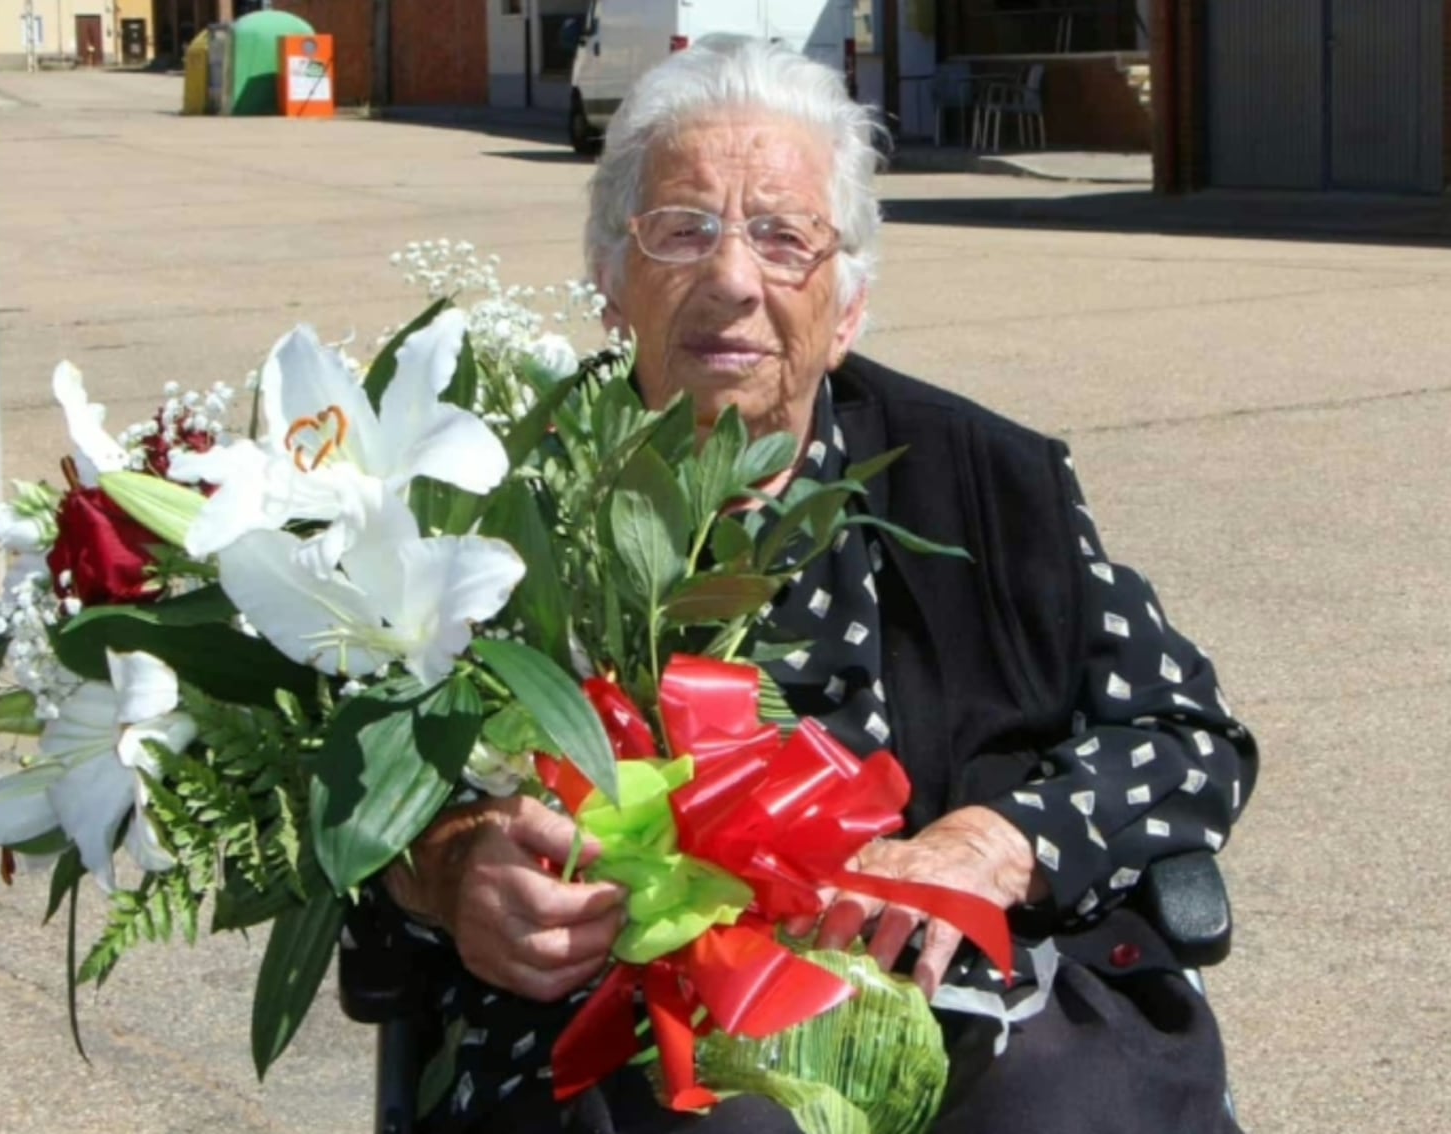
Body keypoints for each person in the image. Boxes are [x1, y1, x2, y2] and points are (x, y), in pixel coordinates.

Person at [378, 36, 1258, 1133]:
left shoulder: (990, 480)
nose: (733, 281)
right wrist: (446, 867)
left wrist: (992, 842)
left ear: (846, 308)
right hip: (627, 1025)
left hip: (970, 1001)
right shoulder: (490, 506)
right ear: (611, 284)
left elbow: (1183, 732)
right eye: (681, 231)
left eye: (785, 237)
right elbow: (355, 801)